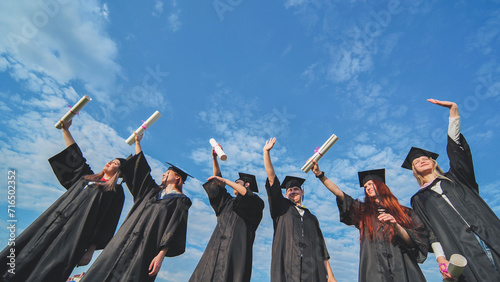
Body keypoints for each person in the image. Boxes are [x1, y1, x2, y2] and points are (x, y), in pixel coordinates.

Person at [0, 120, 125, 282]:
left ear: (119, 171)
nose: (110, 162)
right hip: (53, 222)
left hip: (74, 234)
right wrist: (65, 130)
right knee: (26, 254)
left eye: (116, 163)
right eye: (111, 159)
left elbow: (107, 222)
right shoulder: (87, 177)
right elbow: (76, 156)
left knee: (49, 269)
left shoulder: (115, 192)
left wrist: (91, 249)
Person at [404, 99, 500, 281]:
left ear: (433, 162)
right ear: (414, 170)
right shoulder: (419, 198)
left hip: (493, 237)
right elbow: (431, 232)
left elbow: (458, 153)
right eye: (417, 161)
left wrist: (453, 114)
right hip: (462, 251)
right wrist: (441, 259)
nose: (421, 160)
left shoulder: (457, 178)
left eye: (425, 158)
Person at [80, 133, 192, 282]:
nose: (164, 174)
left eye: (168, 172)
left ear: (178, 177)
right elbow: (142, 172)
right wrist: (138, 143)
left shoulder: (181, 201)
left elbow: (173, 228)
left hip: (146, 248)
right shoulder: (151, 192)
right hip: (123, 240)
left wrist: (160, 256)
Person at [312, 162, 428, 282]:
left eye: (371, 184)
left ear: (382, 186)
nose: (368, 188)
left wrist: (396, 226)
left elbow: (415, 242)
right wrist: (320, 174)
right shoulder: (363, 211)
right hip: (374, 269)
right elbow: (339, 193)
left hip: (404, 267)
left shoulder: (405, 212)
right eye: (366, 186)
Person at [263, 137, 336, 282]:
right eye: (289, 190)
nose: (292, 191)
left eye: (296, 189)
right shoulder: (281, 208)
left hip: (312, 267)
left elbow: (321, 248)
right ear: (285, 193)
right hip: (287, 264)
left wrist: (331, 276)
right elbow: (272, 180)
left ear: (302, 192)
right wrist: (266, 153)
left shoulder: (312, 218)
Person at [189, 145, 264, 282]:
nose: (232, 184)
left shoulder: (255, 203)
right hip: (215, 250)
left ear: (247, 185)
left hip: (235, 254)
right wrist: (214, 158)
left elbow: (246, 195)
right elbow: (218, 183)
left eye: (237, 182)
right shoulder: (228, 202)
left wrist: (226, 181)